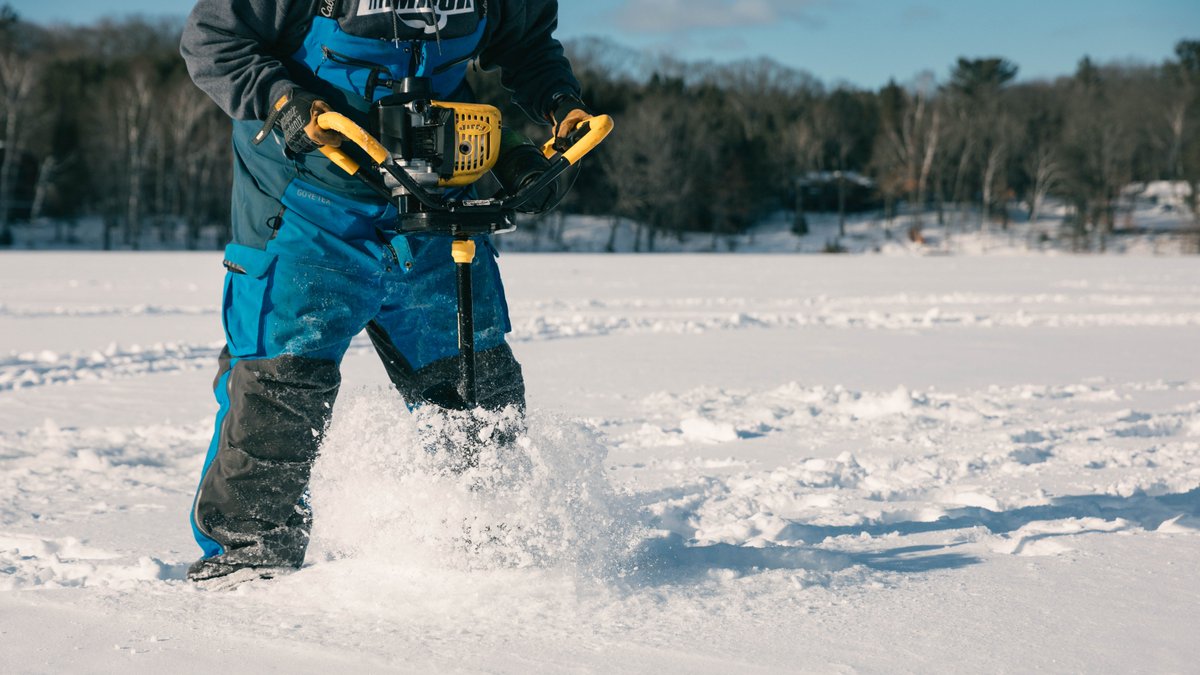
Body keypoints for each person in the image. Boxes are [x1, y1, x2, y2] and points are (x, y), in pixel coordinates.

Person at [179, 0, 594, 582]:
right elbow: (213, 40)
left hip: (436, 197)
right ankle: (250, 559)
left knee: (474, 383)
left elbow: (525, 44)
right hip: (306, 201)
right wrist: (281, 98)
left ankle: (492, 547)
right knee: (281, 384)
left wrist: (560, 102)